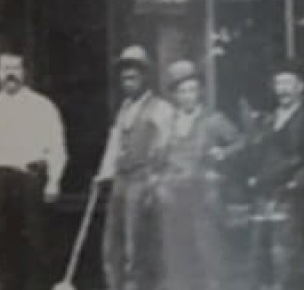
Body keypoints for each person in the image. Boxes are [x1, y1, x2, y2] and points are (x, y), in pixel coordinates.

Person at [0, 51, 68, 290]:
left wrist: (54, 180)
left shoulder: (41, 106)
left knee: (35, 243)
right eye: (5, 68)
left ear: (24, 72)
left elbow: (56, 146)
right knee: (3, 243)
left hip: (30, 179)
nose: (10, 74)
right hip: (0, 181)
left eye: (16, 68)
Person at [153, 59, 242, 290]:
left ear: (200, 92)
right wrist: (160, 181)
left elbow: (242, 142)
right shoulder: (169, 123)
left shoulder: (213, 120)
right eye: (182, 91)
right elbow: (158, 159)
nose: (188, 96)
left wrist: (222, 153)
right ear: (174, 95)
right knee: (177, 253)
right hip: (174, 198)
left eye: (192, 90)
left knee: (209, 250)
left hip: (203, 195)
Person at [245, 57, 304, 290]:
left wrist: (295, 184)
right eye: (278, 84)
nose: (282, 89)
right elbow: (257, 158)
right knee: (258, 258)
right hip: (266, 197)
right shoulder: (268, 120)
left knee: (285, 259)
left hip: (295, 198)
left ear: (300, 87)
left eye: (288, 83)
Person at [95, 45, 172, 290]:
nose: (128, 82)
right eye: (124, 77)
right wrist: (104, 173)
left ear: (145, 77)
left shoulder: (160, 109)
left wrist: (154, 178)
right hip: (120, 180)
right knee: (111, 244)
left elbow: (164, 146)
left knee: (135, 246)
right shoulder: (125, 108)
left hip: (142, 180)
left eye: (133, 76)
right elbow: (115, 143)